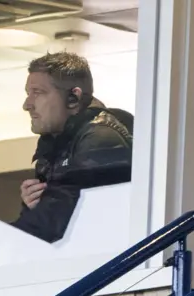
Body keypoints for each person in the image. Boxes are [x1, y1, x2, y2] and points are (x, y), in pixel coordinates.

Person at [12, 52, 133, 243]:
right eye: (28, 94)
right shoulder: (54, 143)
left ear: (73, 98)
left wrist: (0, 242)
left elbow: (63, 220)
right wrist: (32, 205)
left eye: (38, 92)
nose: (27, 105)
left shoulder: (101, 139)